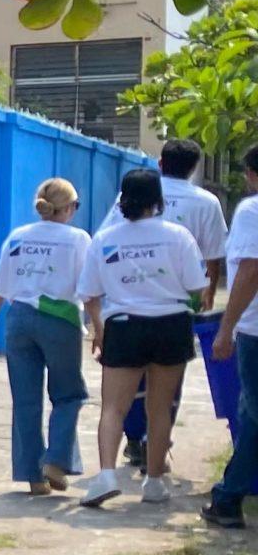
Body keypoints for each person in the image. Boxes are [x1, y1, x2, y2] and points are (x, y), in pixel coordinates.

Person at [79, 167, 206, 509]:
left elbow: (89, 293)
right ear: (158, 200)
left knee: (113, 407)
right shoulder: (178, 235)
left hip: (124, 324)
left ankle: (106, 475)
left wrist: (98, 329)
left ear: (122, 199)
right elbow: (198, 286)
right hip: (170, 324)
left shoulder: (105, 239)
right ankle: (154, 481)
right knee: (159, 407)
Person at [103, 140, 228, 466]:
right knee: (167, 382)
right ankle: (153, 448)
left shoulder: (130, 195)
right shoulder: (206, 202)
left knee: (129, 379)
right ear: (194, 167)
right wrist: (208, 292)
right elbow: (213, 256)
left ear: (160, 163)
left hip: (128, 297)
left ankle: (134, 440)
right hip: (177, 300)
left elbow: (105, 239)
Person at [0, 179, 94, 495]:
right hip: (60, 319)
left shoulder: (19, 236)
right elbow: (88, 287)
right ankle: (57, 461)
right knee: (68, 394)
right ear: (70, 207)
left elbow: (0, 285)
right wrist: (99, 327)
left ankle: (33, 476)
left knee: (25, 399)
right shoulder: (77, 239)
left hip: (18, 318)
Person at [204, 147, 258, 528]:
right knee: (246, 409)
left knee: (254, 414)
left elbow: (251, 271)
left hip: (256, 331)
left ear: (252, 175)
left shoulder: (252, 211)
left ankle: (229, 495)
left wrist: (227, 328)